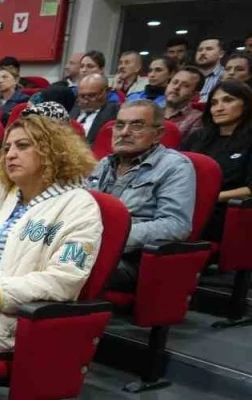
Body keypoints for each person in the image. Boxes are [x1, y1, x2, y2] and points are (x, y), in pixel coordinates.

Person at [0, 110, 103, 359]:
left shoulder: (80, 207)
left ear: (52, 150)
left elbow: (63, 280)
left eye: (23, 146)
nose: (10, 155)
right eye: (7, 148)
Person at [89, 100, 196, 290]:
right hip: (89, 246)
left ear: (158, 134)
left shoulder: (175, 167)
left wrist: (110, 237)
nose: (124, 132)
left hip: (131, 259)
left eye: (137, 125)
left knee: (62, 267)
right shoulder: (104, 164)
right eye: (120, 125)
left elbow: (176, 225)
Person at [182, 79, 252, 241]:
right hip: (185, 203)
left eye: (228, 100)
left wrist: (208, 198)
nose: (218, 108)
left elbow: (250, 189)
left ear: (246, 104)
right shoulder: (197, 137)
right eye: (213, 103)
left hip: (224, 211)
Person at [74, 73, 119, 145]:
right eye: (82, 96)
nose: (85, 101)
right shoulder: (73, 110)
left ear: (107, 91)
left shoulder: (115, 112)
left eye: (91, 95)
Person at [163, 67, 205, 138]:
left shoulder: (198, 119)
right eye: (175, 82)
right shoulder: (152, 111)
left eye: (185, 85)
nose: (176, 87)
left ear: (195, 95)